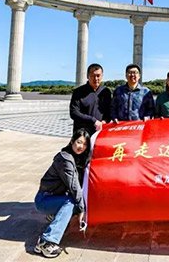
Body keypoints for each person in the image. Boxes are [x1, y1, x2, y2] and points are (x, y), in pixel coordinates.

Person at [34, 129, 91, 258]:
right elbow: (74, 186)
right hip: (44, 199)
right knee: (72, 203)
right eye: (79, 142)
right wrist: (82, 210)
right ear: (72, 141)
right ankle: (47, 242)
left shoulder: (76, 158)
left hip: (54, 197)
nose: (81, 146)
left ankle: (53, 219)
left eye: (85, 144)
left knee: (74, 202)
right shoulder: (65, 160)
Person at [70, 63, 112, 136]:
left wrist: (105, 121)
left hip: (100, 132)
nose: (96, 78)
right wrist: (93, 120)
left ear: (102, 76)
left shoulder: (106, 92)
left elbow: (109, 111)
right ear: (87, 76)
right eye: (92, 75)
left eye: (98, 75)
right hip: (82, 134)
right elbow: (74, 113)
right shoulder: (78, 92)